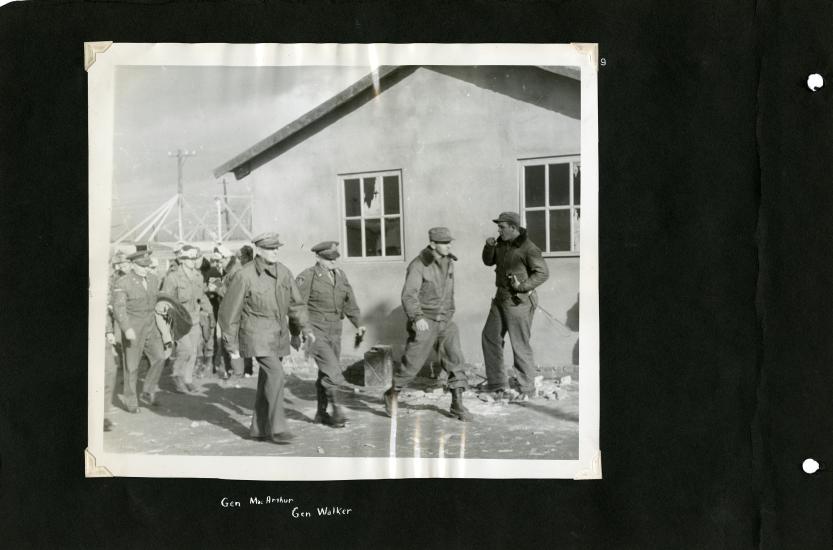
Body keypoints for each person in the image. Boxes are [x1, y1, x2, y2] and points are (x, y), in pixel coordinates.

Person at [218, 232, 312, 444]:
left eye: (277, 248)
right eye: (271, 248)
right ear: (259, 250)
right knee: (276, 374)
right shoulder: (245, 275)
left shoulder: (284, 272)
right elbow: (229, 313)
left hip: (277, 335)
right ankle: (278, 428)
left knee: (267, 380)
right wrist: (231, 345)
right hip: (256, 335)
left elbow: (296, 304)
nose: (275, 251)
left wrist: (305, 328)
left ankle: (259, 429)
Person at [384, 227, 472, 421]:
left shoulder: (450, 262)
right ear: (433, 244)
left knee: (455, 358)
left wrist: (448, 314)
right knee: (412, 364)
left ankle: (457, 404)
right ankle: (392, 393)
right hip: (425, 320)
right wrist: (417, 318)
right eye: (445, 242)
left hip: (445, 320)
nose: (449, 245)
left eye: (450, 242)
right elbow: (409, 295)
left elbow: (448, 293)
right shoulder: (418, 265)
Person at [296, 241, 366, 428]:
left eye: (335, 258)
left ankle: (321, 413)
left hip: (335, 331)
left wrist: (358, 324)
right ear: (318, 258)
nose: (333, 262)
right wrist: (304, 331)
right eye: (328, 259)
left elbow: (349, 302)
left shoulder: (340, 276)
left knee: (326, 372)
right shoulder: (308, 276)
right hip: (315, 332)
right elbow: (297, 306)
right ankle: (337, 413)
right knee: (334, 372)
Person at [481, 211, 550, 400]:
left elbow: (542, 273)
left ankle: (527, 388)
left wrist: (523, 287)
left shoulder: (529, 248)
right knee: (490, 337)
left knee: (519, 344)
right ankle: (496, 383)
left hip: (518, 302)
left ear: (513, 227)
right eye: (498, 227)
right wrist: (488, 247)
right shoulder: (501, 243)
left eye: (502, 227)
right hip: (500, 298)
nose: (499, 230)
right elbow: (488, 261)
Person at [111, 251, 167, 412]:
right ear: (133, 265)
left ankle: (147, 392)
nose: (145, 269)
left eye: (147, 266)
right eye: (142, 266)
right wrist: (126, 328)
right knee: (132, 366)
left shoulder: (153, 279)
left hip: (151, 325)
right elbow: (119, 308)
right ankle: (131, 402)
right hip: (133, 326)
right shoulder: (123, 282)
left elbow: (156, 301)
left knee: (160, 357)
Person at [162, 244, 213, 394]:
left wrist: (209, 310)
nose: (195, 261)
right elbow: (166, 300)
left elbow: (201, 296)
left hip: (195, 320)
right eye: (191, 258)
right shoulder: (172, 277)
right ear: (182, 260)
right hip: (179, 321)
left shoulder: (198, 276)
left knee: (194, 352)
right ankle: (177, 377)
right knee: (186, 350)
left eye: (196, 258)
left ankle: (188, 379)